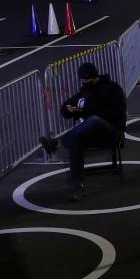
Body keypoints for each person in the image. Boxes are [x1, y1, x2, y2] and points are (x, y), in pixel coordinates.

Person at [39, 63, 127, 201]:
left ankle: (58, 143)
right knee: (76, 141)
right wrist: (68, 109)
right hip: (92, 135)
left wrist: (88, 111)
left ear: (95, 77)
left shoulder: (112, 89)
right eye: (83, 81)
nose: (85, 83)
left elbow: (118, 112)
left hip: (112, 131)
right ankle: (77, 186)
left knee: (93, 120)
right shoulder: (83, 93)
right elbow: (64, 108)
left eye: (87, 81)